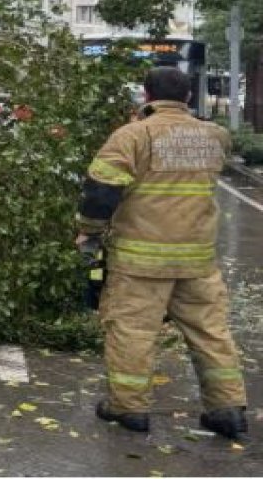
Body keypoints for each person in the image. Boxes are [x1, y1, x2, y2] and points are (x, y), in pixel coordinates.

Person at [77, 66, 247, 438]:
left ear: (146, 94)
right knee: (211, 334)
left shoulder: (132, 136)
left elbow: (101, 193)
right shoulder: (216, 136)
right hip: (198, 261)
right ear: (187, 97)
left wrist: (89, 235)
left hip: (141, 263)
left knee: (133, 334)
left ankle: (128, 409)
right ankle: (227, 409)